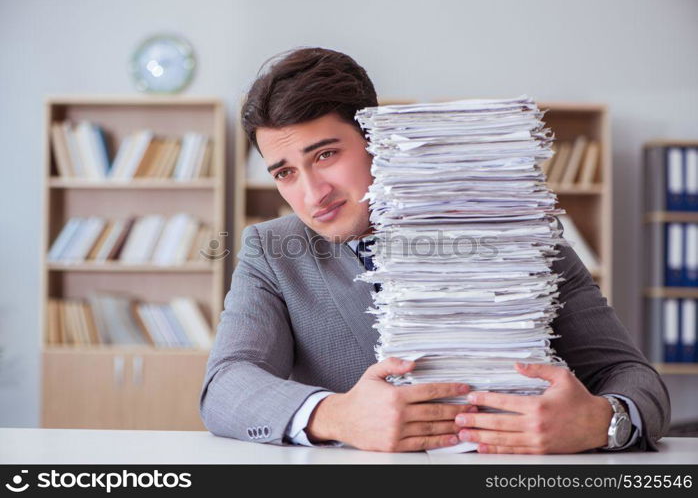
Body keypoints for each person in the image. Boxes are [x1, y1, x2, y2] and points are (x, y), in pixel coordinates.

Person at [199, 47, 670, 453]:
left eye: (325, 155)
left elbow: (630, 375)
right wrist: (336, 416)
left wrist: (603, 422)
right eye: (285, 172)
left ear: (375, 142)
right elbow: (226, 384)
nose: (312, 192)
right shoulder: (273, 250)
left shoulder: (517, 233)